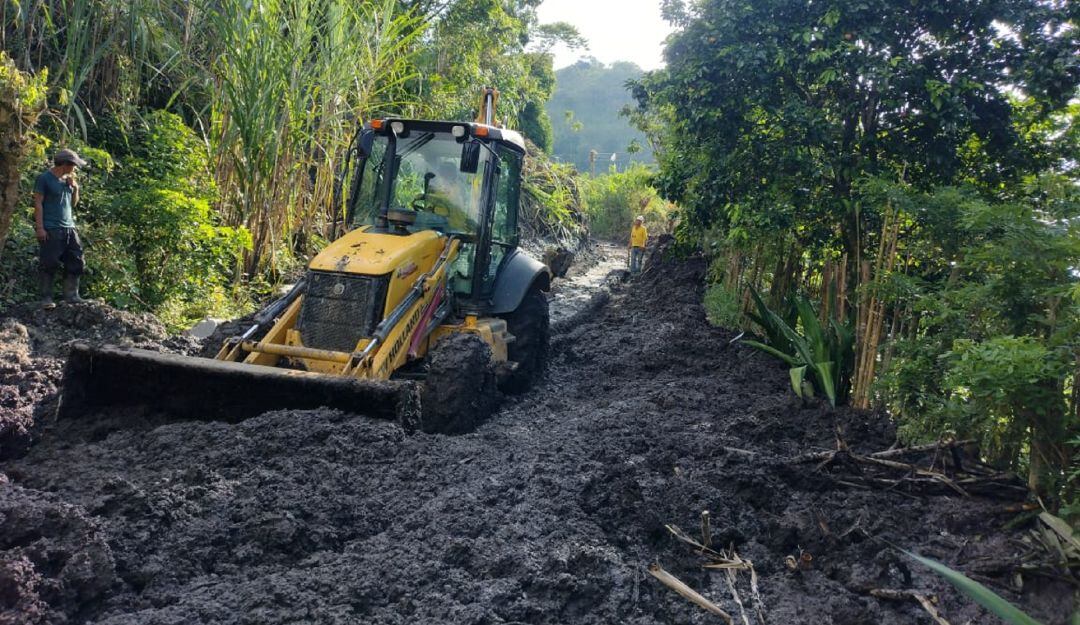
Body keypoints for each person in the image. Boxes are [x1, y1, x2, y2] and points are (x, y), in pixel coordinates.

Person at [33, 148, 88, 309]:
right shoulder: (44, 179)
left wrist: (75, 189)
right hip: (51, 227)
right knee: (49, 262)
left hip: (69, 227)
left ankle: (72, 295)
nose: (75, 168)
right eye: (73, 165)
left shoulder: (67, 180)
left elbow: (73, 204)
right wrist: (40, 228)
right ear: (65, 164)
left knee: (76, 259)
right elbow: (38, 204)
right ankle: (46, 297)